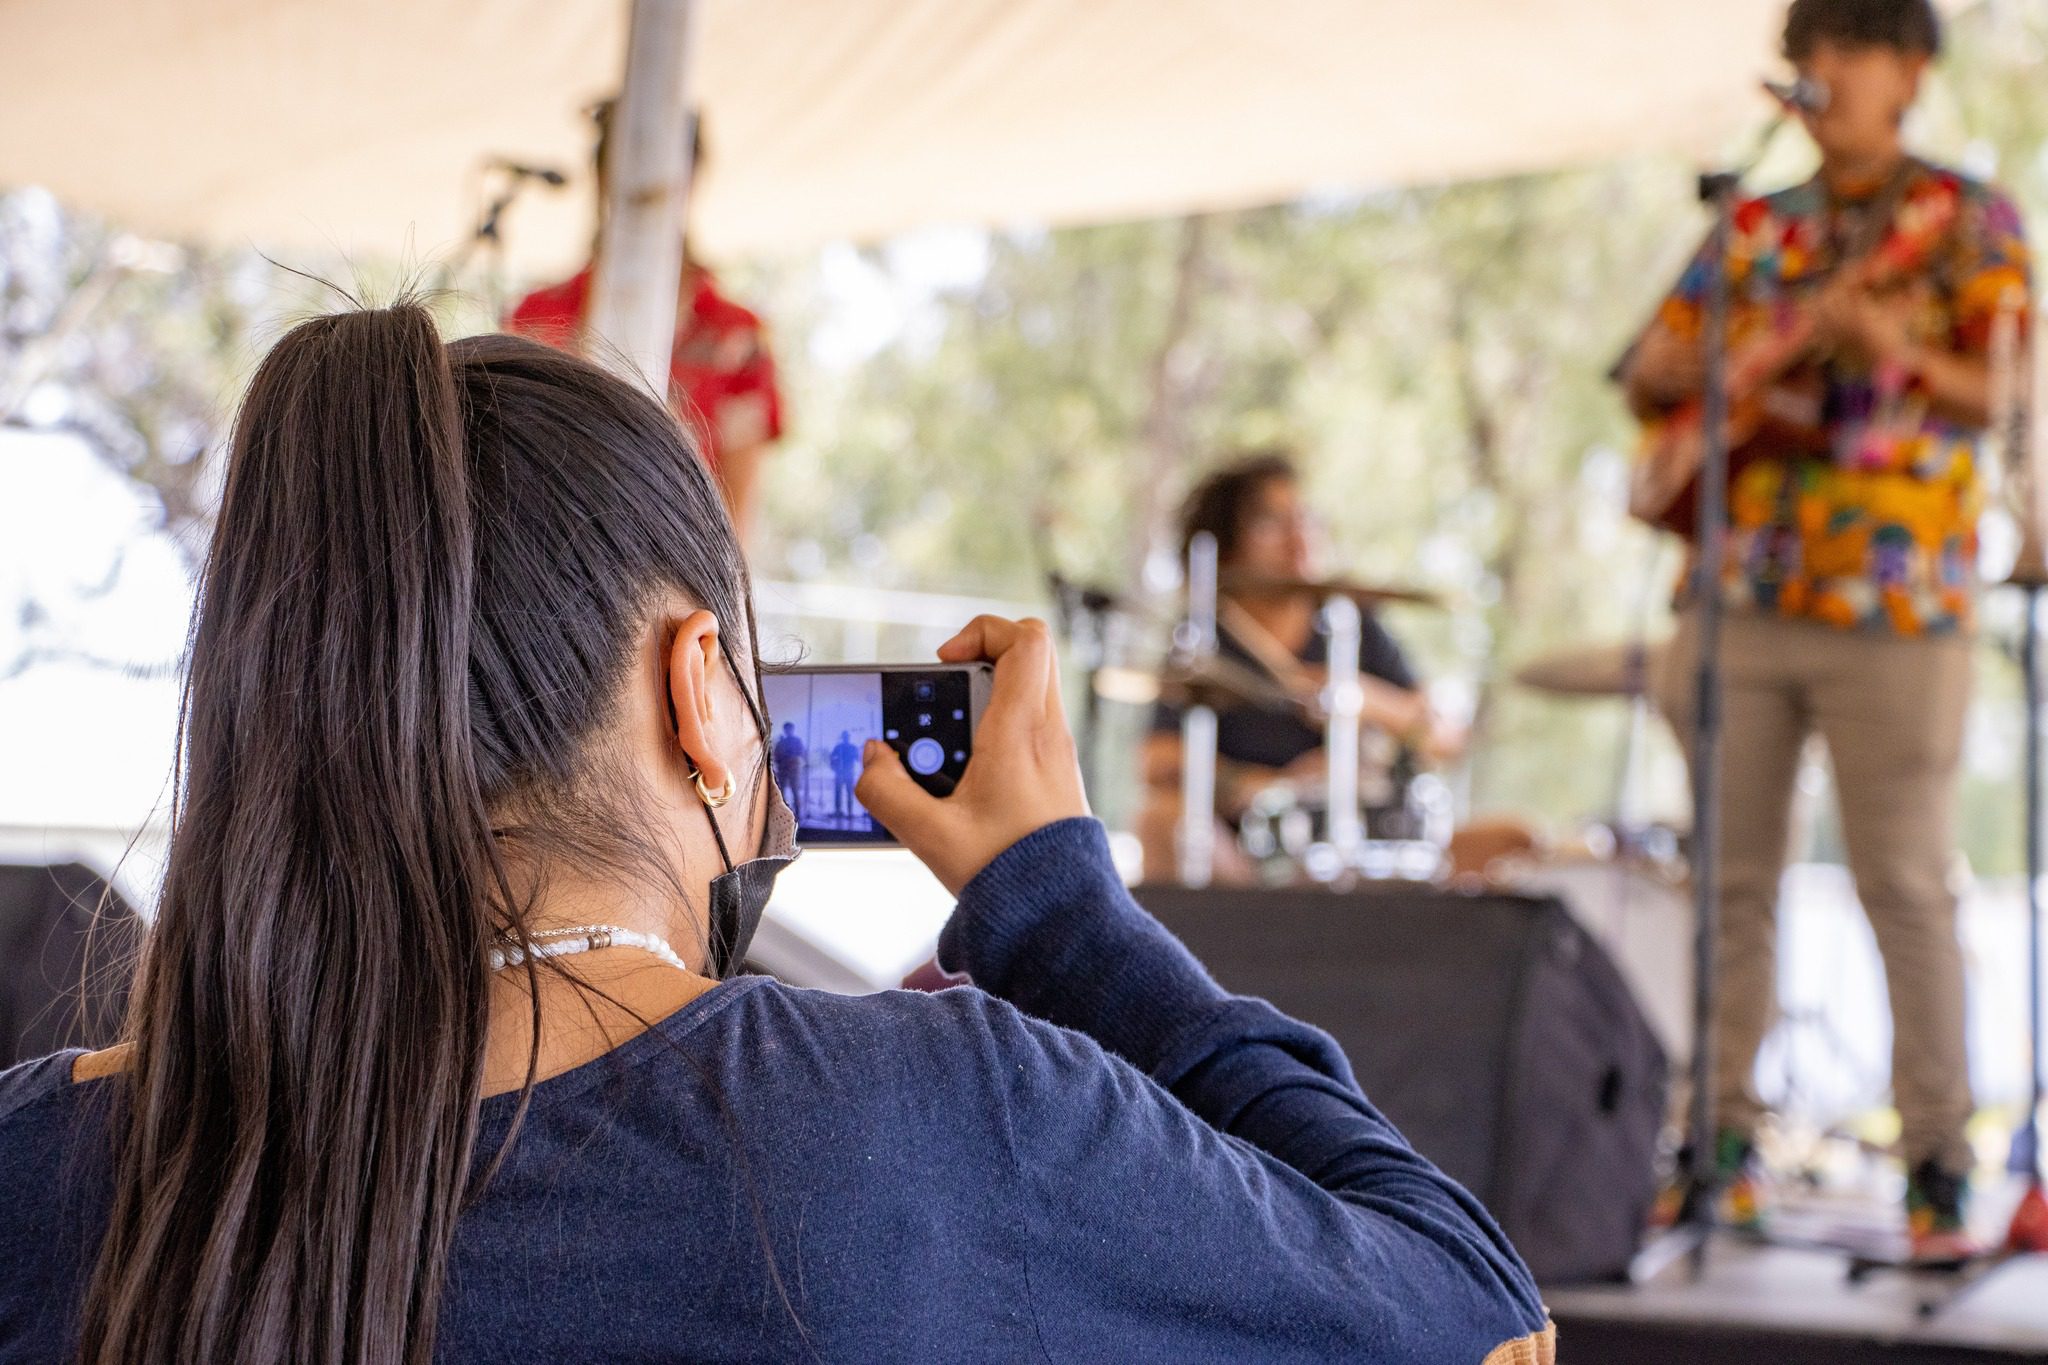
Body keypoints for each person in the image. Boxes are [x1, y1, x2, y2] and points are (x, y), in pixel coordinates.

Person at [0, 305, 1552, 1363]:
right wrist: (1059, 906)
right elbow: (1474, 1312)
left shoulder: (39, 1156)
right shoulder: (924, 1124)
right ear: (701, 691)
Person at [1620, 0, 2029, 1260]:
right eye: (1813, 52)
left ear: (1908, 69)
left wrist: (1895, 350)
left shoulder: (1964, 220)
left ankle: (1932, 1171)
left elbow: (2006, 392)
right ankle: (1718, 1153)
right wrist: (1755, 351)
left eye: (1854, 48)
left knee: (1900, 882)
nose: (1828, 72)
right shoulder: (1753, 222)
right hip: (1738, 592)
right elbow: (1650, 370)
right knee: (1726, 887)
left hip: (1895, 607)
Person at [1137, 452, 1463, 883]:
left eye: (1305, 518)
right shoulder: (1205, 633)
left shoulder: (1351, 620)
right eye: (1272, 523)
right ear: (1228, 545)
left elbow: (1442, 738)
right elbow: (1158, 761)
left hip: (1366, 841)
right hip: (1247, 856)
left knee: (1511, 840)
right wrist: (1277, 789)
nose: (1299, 538)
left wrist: (1361, 699)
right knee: (1160, 822)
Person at [507, 106, 782, 539]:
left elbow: (736, 509)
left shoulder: (737, 336)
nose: (647, 185)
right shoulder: (538, 320)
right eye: (626, 160)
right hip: (547, 558)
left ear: (692, 178)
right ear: (601, 175)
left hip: (675, 563)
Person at [771, 720, 807, 819]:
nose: (788, 731)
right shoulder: (781, 742)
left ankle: (798, 813)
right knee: (781, 792)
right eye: (786, 729)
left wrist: (793, 760)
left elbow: (802, 754)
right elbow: (776, 755)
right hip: (783, 769)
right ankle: (783, 813)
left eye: (789, 729)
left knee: (795, 790)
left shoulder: (797, 741)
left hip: (794, 769)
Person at [830, 728, 862, 819]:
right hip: (839, 773)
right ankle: (838, 811)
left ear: (849, 737)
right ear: (842, 738)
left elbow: (858, 759)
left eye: (847, 736)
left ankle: (850, 812)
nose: (846, 738)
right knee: (838, 792)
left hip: (849, 773)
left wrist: (856, 754)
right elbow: (832, 758)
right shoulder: (838, 747)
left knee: (849, 793)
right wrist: (834, 766)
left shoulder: (853, 747)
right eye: (844, 737)